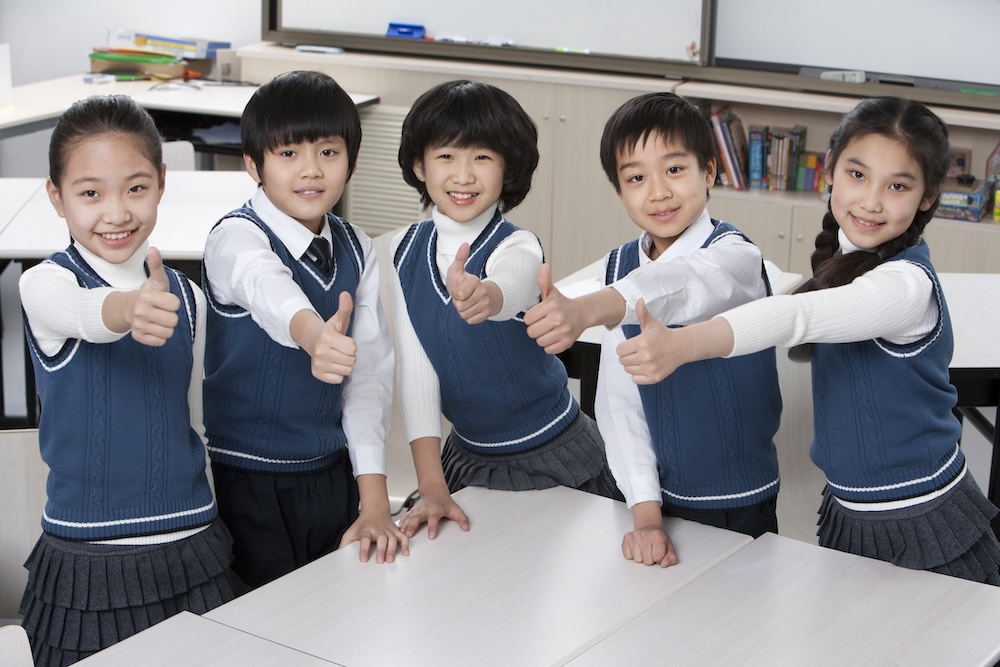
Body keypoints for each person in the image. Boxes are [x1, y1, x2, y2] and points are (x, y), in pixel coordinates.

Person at [614, 96, 1000, 585]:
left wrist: (683, 344)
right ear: (830, 175)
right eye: (857, 175)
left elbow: (798, 315)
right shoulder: (846, 260)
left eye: (897, 185)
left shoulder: (906, 288)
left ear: (927, 197)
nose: (871, 201)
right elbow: (787, 290)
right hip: (852, 510)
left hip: (919, 514)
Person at [17, 95, 243, 666]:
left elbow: (191, 420)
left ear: (162, 184)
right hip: (88, 564)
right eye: (90, 193)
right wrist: (128, 310)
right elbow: (87, 314)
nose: (115, 212)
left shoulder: (188, 300)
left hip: (194, 544)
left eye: (135, 188)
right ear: (56, 195)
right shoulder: (43, 285)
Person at [528, 92, 781, 567]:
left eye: (675, 170)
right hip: (653, 503)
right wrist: (645, 513)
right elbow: (620, 404)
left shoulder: (737, 258)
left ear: (709, 171)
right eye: (636, 178)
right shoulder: (619, 267)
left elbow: (682, 283)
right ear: (619, 191)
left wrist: (591, 309)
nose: (658, 192)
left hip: (739, 500)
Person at [201, 70, 406, 588]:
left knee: (337, 606)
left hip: (330, 473)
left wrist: (376, 501)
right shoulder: (235, 237)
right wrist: (314, 335)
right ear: (254, 164)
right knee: (263, 623)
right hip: (248, 479)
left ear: (352, 162)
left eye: (328, 153)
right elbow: (266, 286)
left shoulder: (357, 247)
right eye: (288, 154)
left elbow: (369, 379)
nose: (310, 170)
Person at [391, 79, 622, 540]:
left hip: (550, 453)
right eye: (446, 157)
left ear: (508, 168)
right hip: (467, 457)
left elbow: (514, 283)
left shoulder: (517, 244)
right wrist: (432, 485)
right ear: (419, 165)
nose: (463, 175)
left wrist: (487, 296)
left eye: (482, 157)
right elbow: (419, 375)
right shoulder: (405, 250)